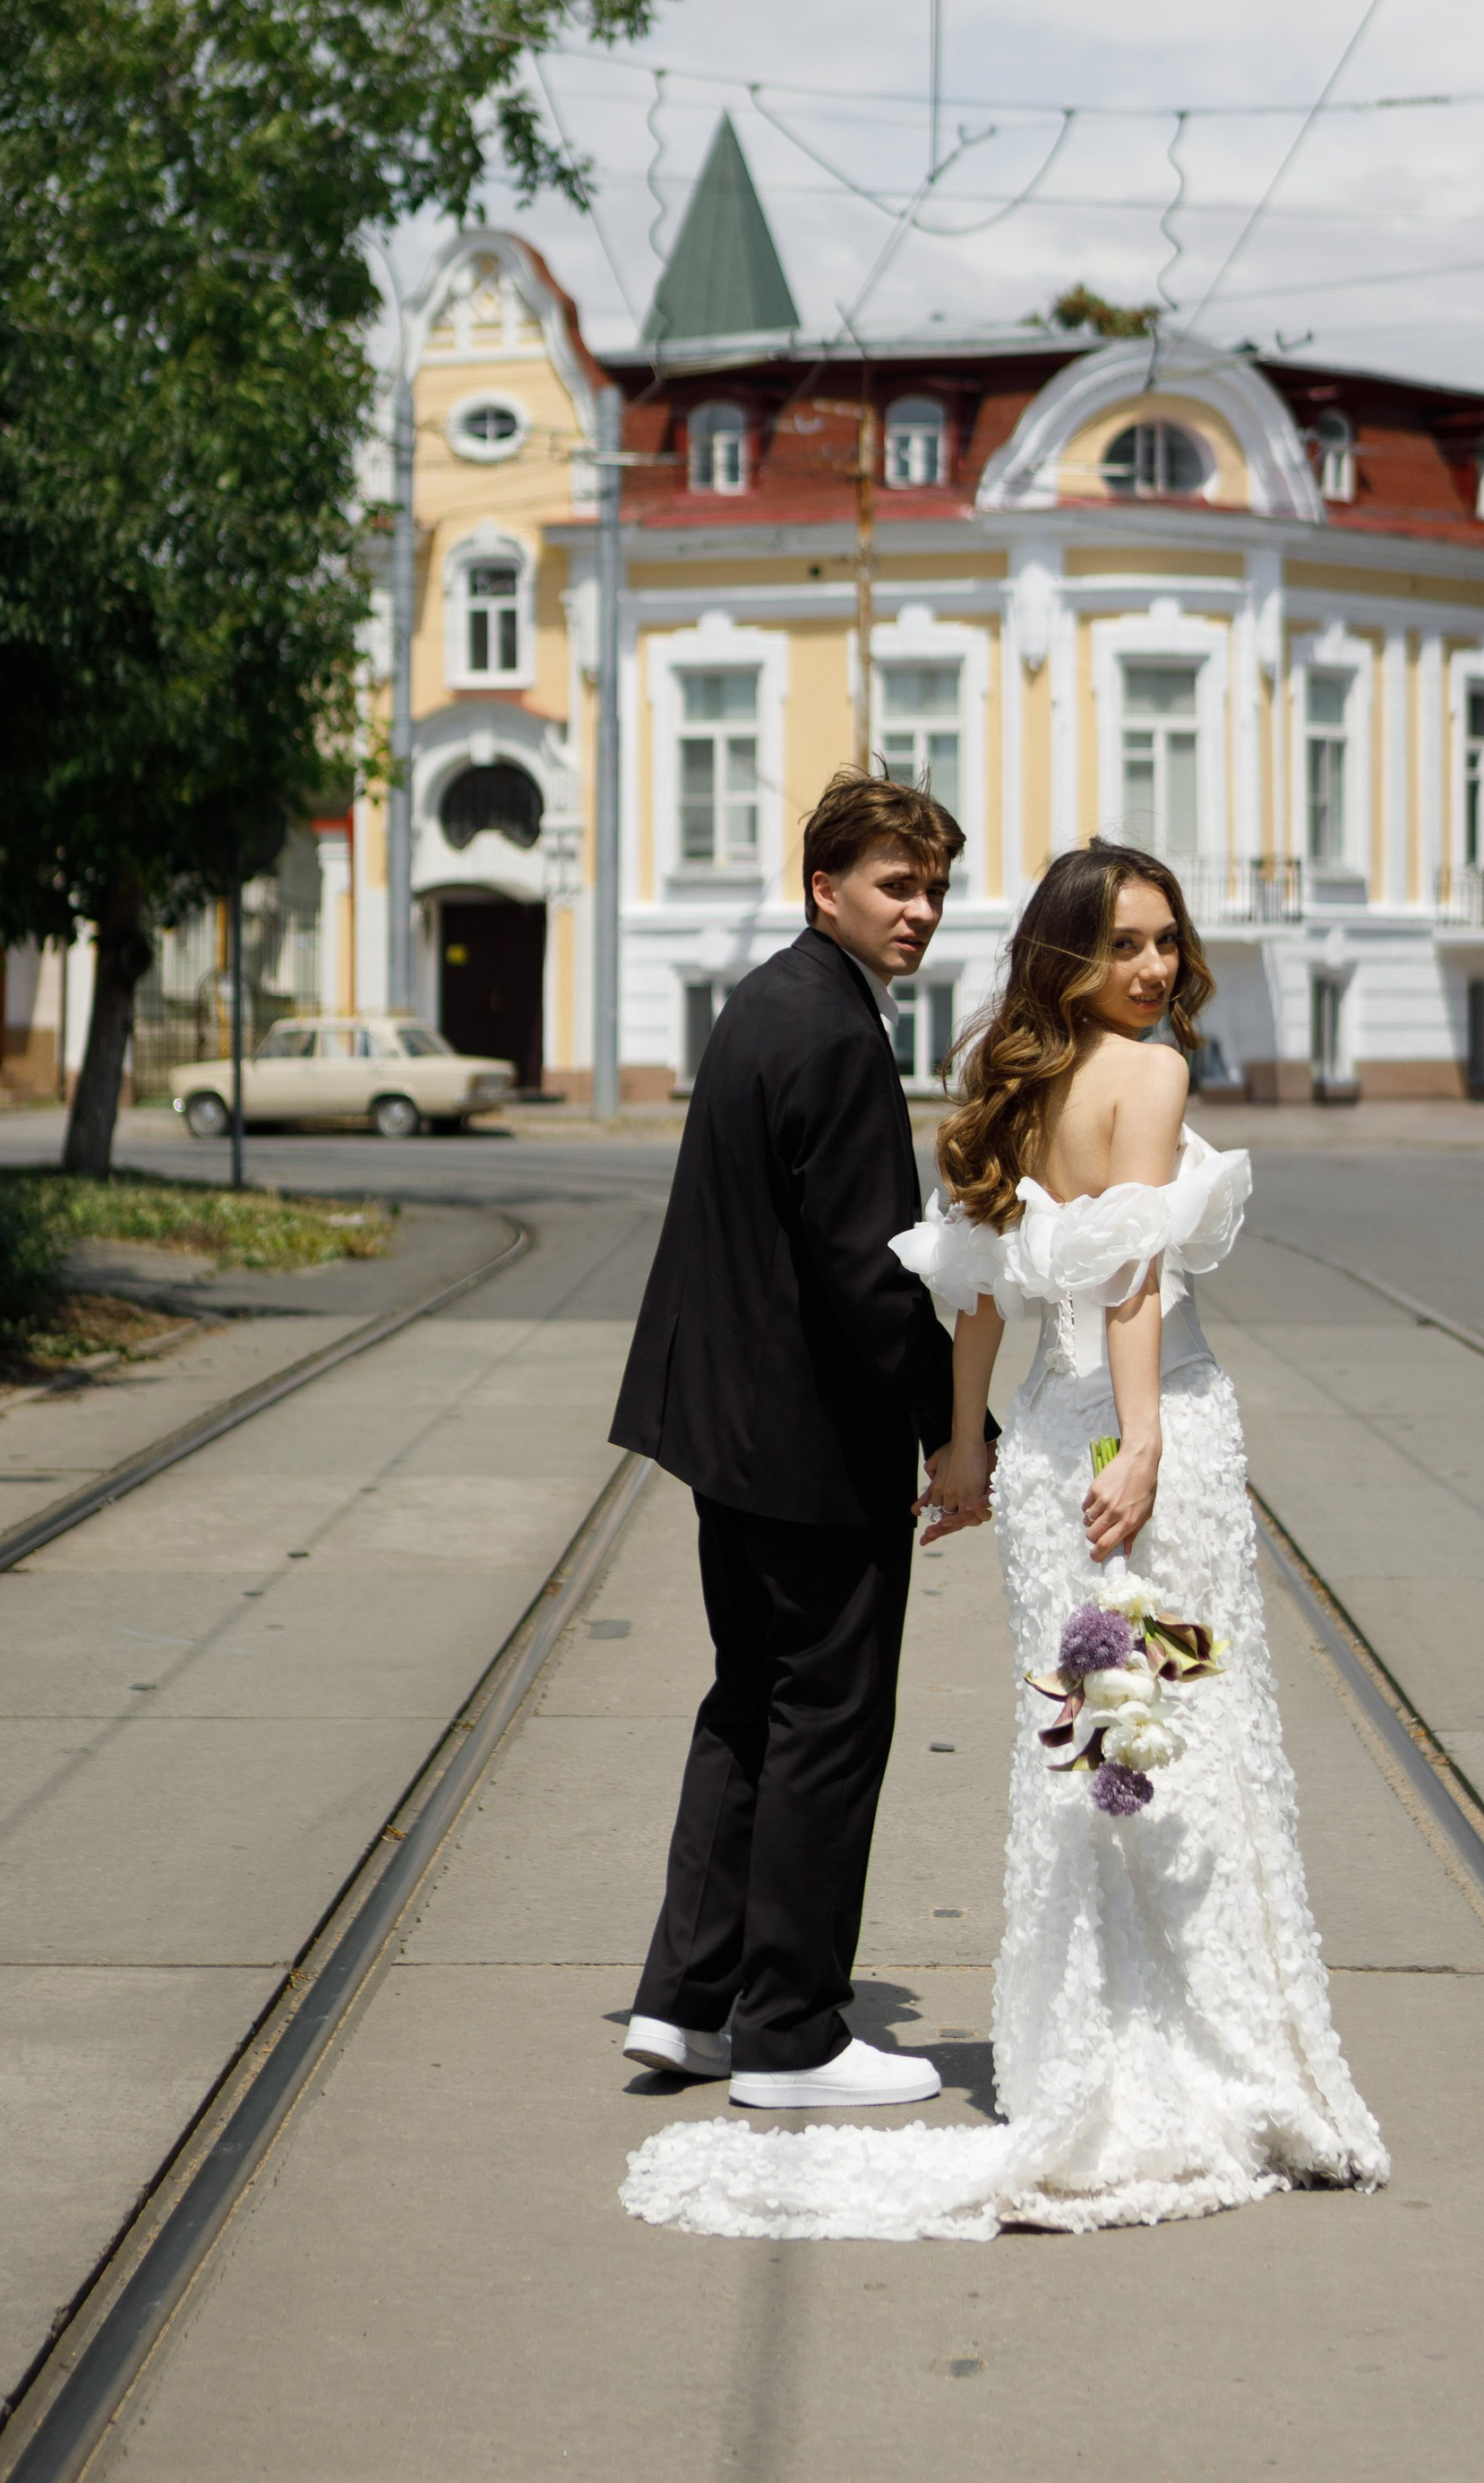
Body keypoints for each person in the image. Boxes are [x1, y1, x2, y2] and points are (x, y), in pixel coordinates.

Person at [622, 839, 1389, 2239]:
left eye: (1166, 940)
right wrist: (1142, 1442)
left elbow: (976, 1293)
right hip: (1136, 1448)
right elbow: (1134, 1283)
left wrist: (968, 1446)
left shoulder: (1006, 1088)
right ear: (1072, 958)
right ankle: (1179, 2041)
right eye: (1127, 945)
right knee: (1171, 1725)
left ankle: (1078, 2037)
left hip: (1042, 1450)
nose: (1155, 968)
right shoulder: (1150, 1079)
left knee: (1092, 1730)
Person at [610, 769, 996, 2111]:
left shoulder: (768, 1003)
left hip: (727, 1429)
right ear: (825, 888)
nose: (922, 909)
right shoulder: (834, 1034)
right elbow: (868, 1274)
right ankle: (791, 2036)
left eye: (935, 885)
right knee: (829, 1719)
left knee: (750, 1706)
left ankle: (684, 2000)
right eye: (897, 883)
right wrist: (962, 1430)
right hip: (807, 1445)